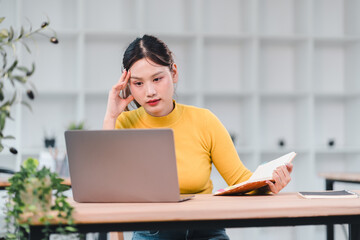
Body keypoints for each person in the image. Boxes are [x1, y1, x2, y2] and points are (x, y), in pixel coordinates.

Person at [103, 34, 293, 240]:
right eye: (138, 83)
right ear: (127, 85)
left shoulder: (204, 121)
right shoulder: (123, 123)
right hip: (153, 232)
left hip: (207, 230)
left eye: (157, 79)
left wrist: (268, 184)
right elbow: (106, 189)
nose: (149, 91)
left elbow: (239, 180)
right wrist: (111, 116)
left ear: (173, 72)